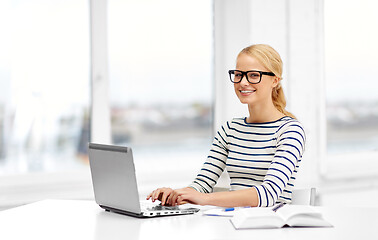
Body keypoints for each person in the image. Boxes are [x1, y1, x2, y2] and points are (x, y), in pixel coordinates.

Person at [147, 44, 305, 208]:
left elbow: (269, 194)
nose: (243, 82)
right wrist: (175, 195)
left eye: (253, 75)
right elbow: (202, 184)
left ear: (275, 80)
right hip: (232, 223)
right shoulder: (230, 130)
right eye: (238, 74)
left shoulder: (290, 131)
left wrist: (205, 199)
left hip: (271, 229)